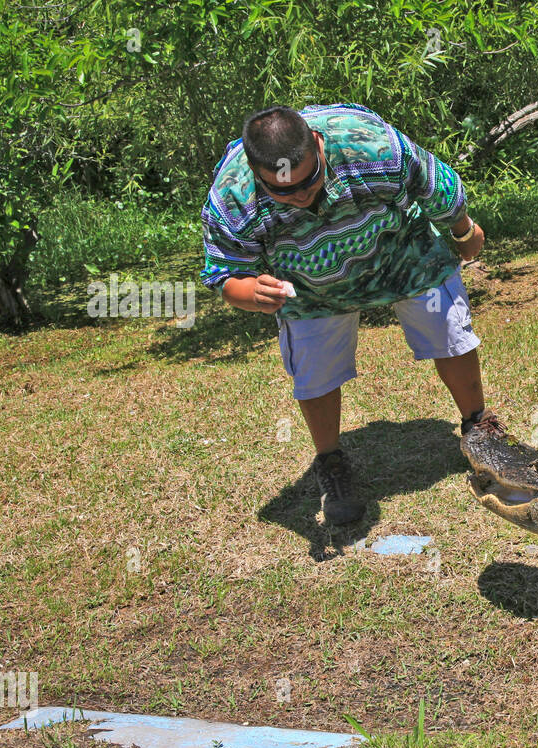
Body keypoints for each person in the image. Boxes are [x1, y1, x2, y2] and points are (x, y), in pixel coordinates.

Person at [199, 103, 505, 524]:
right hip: (307, 284)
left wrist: (465, 231)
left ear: (319, 146)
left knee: (446, 326)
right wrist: (250, 291)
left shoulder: (369, 144)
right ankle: (331, 463)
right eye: (283, 191)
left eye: (310, 178)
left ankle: (479, 427)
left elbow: (437, 186)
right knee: (315, 368)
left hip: (402, 250)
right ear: (256, 174)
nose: (301, 194)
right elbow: (224, 273)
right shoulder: (232, 194)